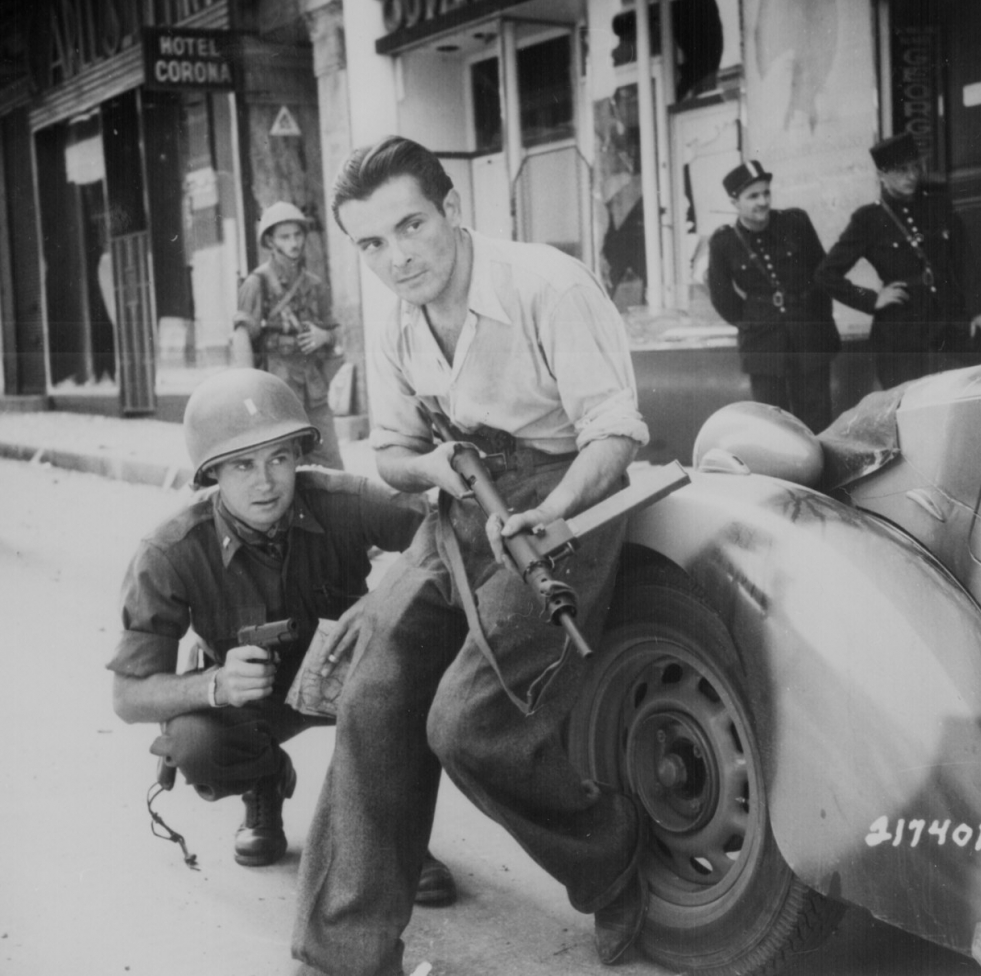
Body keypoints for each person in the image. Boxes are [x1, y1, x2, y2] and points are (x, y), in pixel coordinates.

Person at [292, 136, 650, 976]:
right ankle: (343, 954)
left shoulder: (547, 285)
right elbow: (391, 451)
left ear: (452, 209)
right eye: (371, 243)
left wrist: (551, 514)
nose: (397, 257)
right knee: (373, 694)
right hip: (461, 502)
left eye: (410, 224)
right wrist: (435, 467)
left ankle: (616, 860)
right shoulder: (393, 319)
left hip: (570, 495)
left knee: (469, 726)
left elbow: (614, 435)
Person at [107, 368, 456, 905]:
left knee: (412, 665)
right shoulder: (170, 553)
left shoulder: (342, 500)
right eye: (241, 465)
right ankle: (265, 781)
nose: (264, 482)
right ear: (212, 475)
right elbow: (128, 695)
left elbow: (446, 531)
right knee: (195, 743)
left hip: (353, 679)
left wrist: (380, 603)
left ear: (298, 456)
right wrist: (217, 686)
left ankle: (396, 833)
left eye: (278, 458)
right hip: (252, 700)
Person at [816, 132, 981, 390]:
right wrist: (871, 299)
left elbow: (965, 263)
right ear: (881, 175)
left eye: (915, 167)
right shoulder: (868, 219)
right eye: (901, 170)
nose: (911, 176)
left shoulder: (939, 207)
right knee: (907, 407)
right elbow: (826, 274)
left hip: (949, 322)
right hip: (900, 333)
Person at [707, 161, 840, 432]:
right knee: (773, 422)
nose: (763, 201)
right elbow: (722, 298)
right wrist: (753, 319)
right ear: (735, 201)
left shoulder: (795, 223)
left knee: (817, 416)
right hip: (762, 341)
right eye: (753, 196)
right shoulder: (724, 242)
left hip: (808, 332)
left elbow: (822, 273)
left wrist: (817, 320)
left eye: (766, 193)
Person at [232, 202, 345, 470]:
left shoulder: (315, 285)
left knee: (331, 465)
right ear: (270, 241)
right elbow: (242, 334)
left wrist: (323, 336)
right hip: (276, 390)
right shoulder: (256, 283)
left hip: (314, 389)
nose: (293, 242)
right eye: (285, 237)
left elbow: (337, 334)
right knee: (284, 466)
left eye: (297, 235)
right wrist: (249, 393)